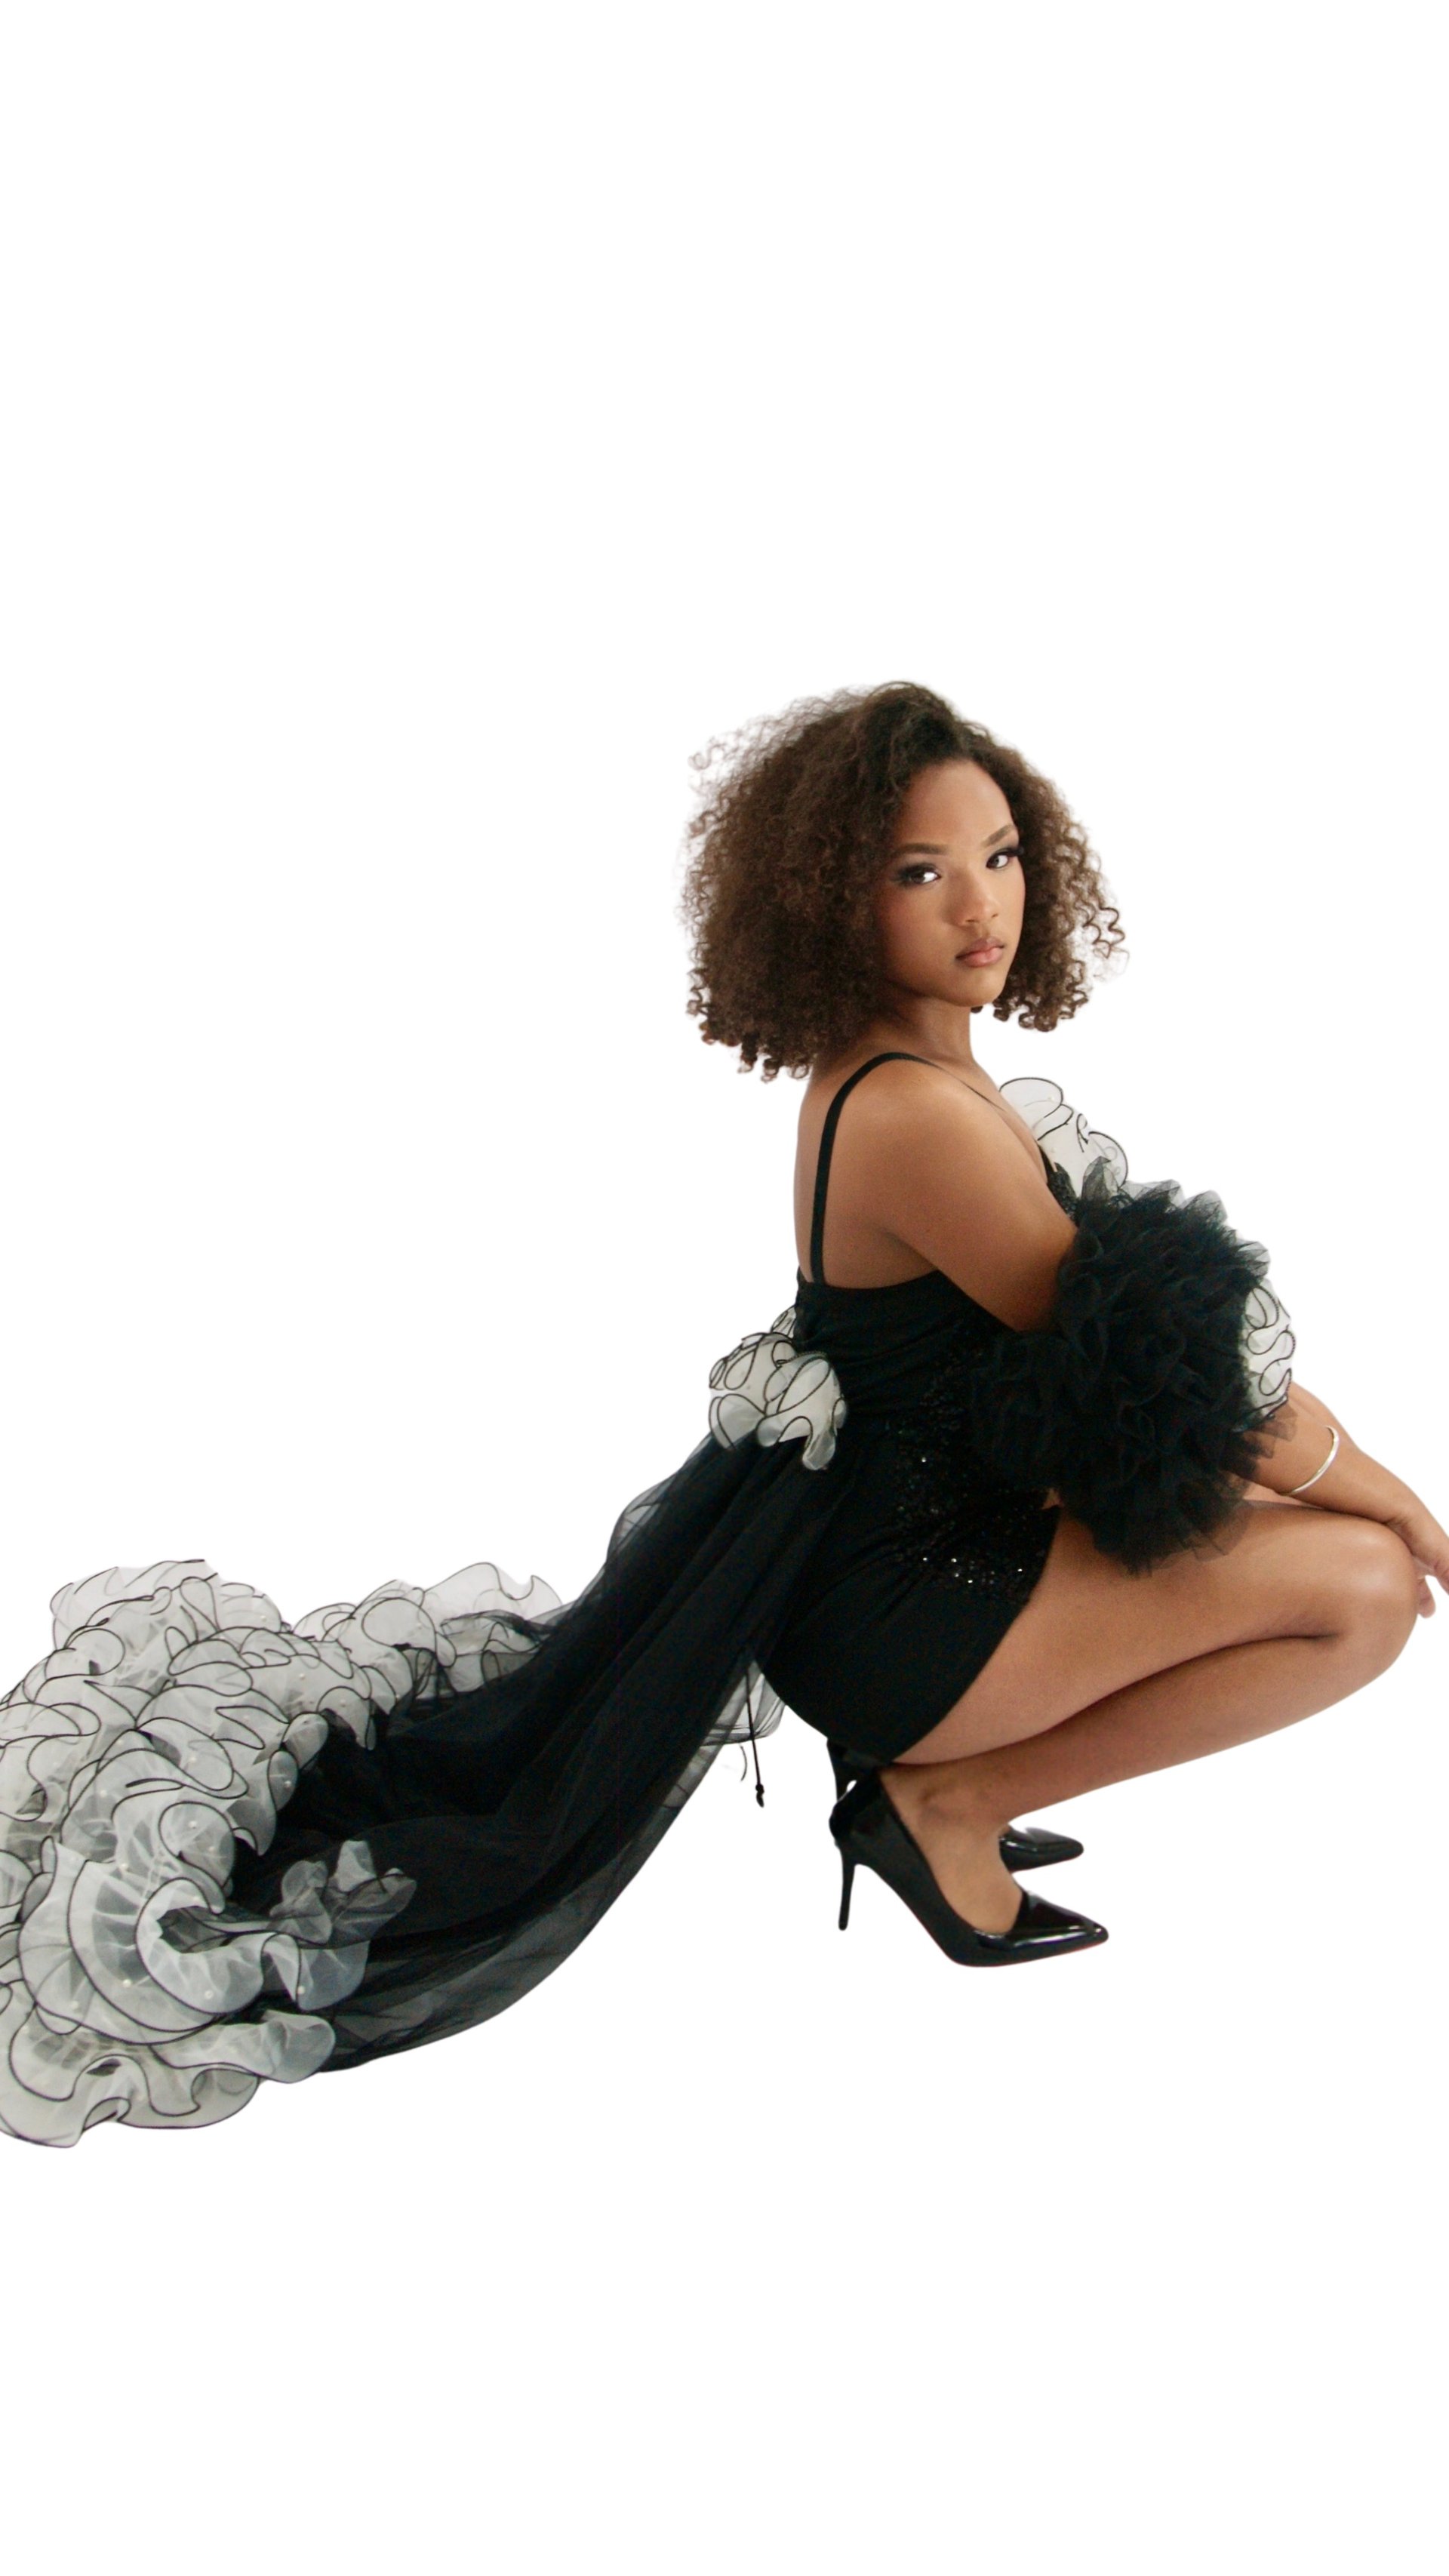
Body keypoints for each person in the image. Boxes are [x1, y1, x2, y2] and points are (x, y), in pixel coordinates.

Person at [3, 682, 1441, 2146]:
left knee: (1302, 1547)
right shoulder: (914, 1118)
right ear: (831, 902)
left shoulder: (932, 1072)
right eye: (918, 873)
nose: (978, 909)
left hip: (918, 1557)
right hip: (912, 1606)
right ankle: (942, 1805)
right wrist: (1387, 1491)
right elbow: (1182, 1384)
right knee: (1366, 1592)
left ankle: (946, 1781)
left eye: (1001, 857)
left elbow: (1109, 1386)